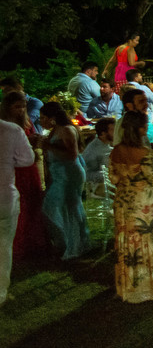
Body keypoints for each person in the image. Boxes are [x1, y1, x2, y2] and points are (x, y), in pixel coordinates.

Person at [110, 111, 153, 302]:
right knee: (146, 242)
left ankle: (129, 287)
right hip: (142, 206)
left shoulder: (116, 151)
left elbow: (113, 178)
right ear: (139, 129)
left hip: (123, 204)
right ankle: (149, 286)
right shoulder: (144, 154)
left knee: (127, 245)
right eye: (145, 125)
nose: (147, 128)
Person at [39, 102, 91, 261]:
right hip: (60, 173)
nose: (41, 121)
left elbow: (72, 155)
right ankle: (67, 242)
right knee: (59, 207)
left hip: (69, 174)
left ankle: (74, 246)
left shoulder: (67, 130)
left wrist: (47, 145)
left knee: (65, 208)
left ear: (52, 118)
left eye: (43, 118)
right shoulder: (55, 130)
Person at [0, 105, 35, 305]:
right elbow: (27, 159)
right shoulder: (12, 130)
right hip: (5, 195)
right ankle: (1, 292)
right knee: (4, 246)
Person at [82, 116, 116, 192]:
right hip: (97, 188)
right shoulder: (93, 150)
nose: (116, 133)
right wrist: (109, 174)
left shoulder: (108, 143)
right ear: (103, 134)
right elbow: (87, 175)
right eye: (112, 130)